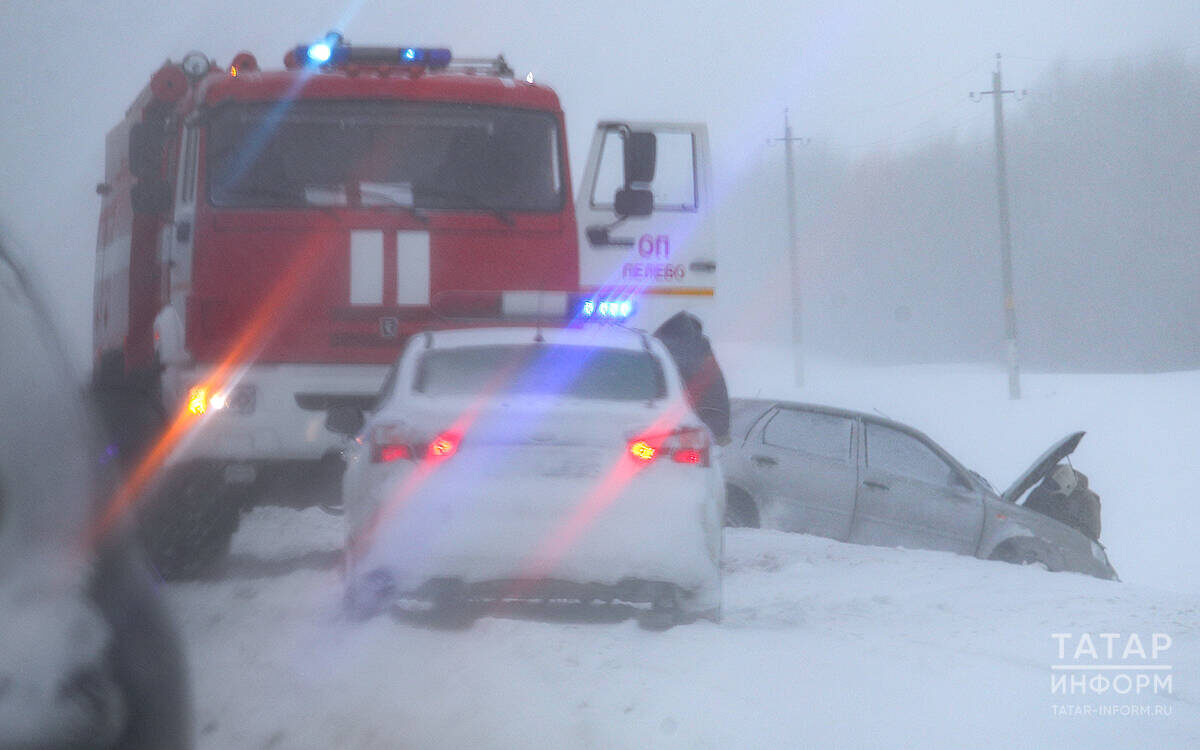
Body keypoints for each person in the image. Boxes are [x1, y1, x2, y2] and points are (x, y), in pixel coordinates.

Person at [653, 311, 731, 445]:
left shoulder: (660, 349)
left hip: (665, 424)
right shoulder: (702, 351)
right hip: (709, 419)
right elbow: (717, 390)